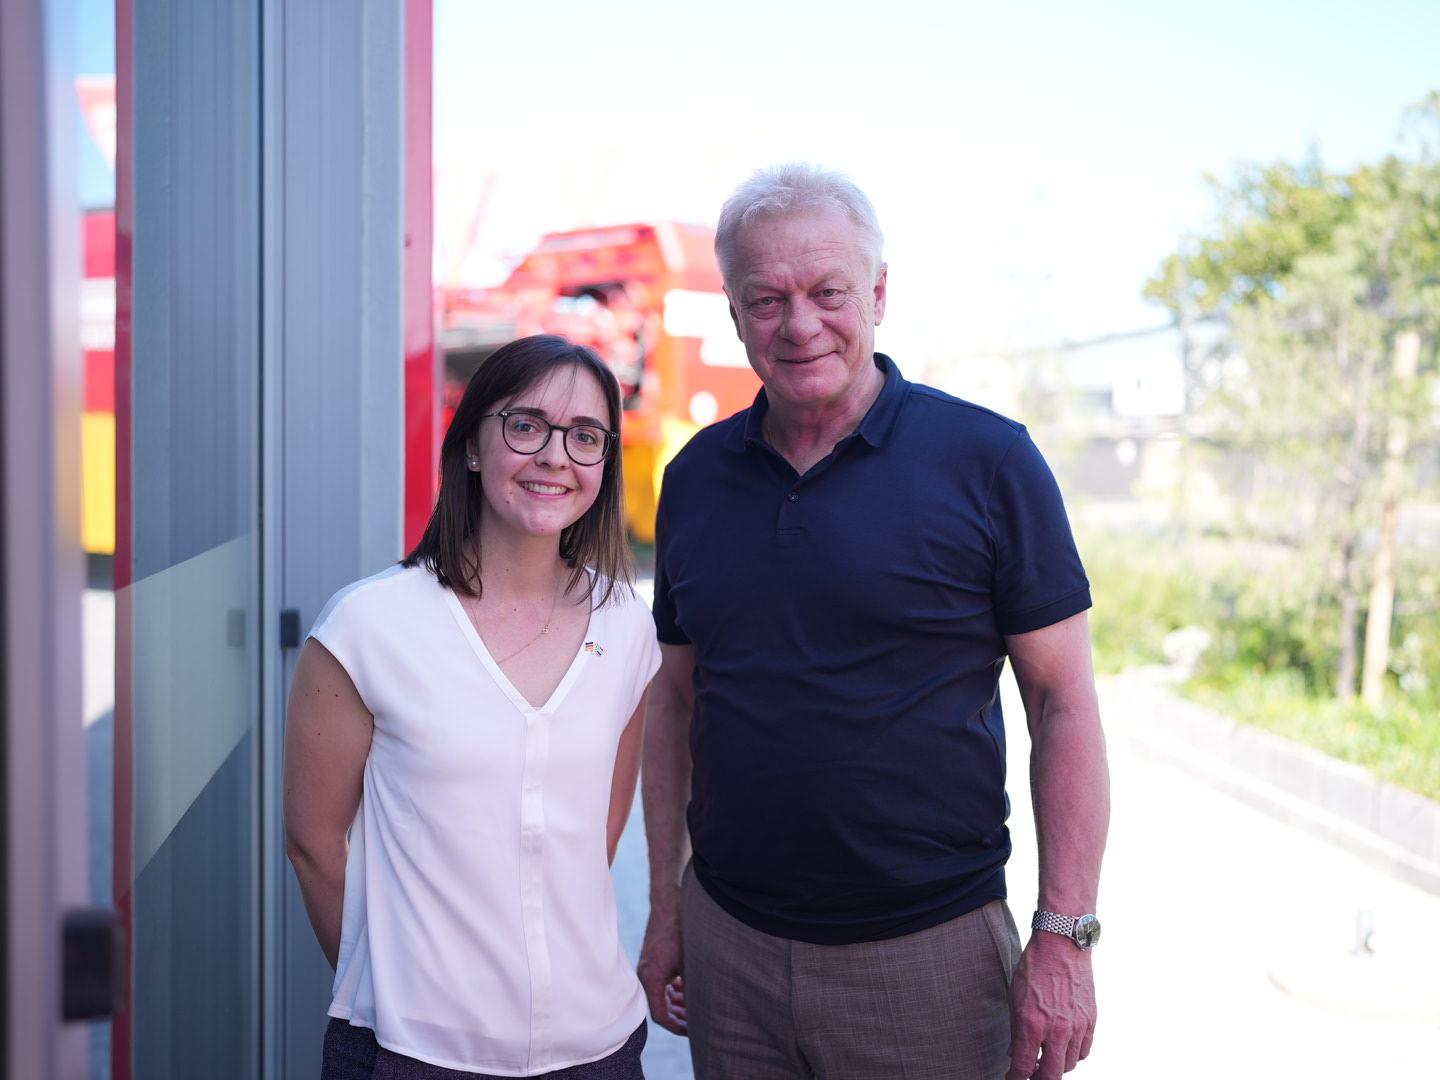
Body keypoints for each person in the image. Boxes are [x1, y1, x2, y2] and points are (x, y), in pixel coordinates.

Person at [638, 165, 1110, 1080]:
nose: (799, 323)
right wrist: (668, 906)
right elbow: (676, 703)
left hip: (925, 957)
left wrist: (1066, 936)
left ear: (881, 294)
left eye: (828, 292)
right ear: (733, 314)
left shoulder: (987, 461)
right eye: (765, 298)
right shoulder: (693, 479)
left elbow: (1067, 703)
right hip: (730, 945)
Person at [284, 335, 660, 1079]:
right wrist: (399, 982)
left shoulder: (627, 623)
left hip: (597, 1047)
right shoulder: (369, 625)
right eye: (527, 426)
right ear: (475, 447)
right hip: (414, 1051)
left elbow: (595, 836)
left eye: (586, 437)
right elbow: (313, 843)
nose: (557, 456)